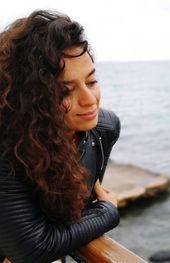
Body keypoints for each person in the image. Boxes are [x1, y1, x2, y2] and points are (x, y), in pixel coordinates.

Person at [0, 10, 121, 263]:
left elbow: (81, 206)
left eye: (91, 82)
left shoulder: (105, 129)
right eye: (65, 91)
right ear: (28, 99)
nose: (89, 101)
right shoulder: (8, 148)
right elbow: (31, 248)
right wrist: (107, 212)